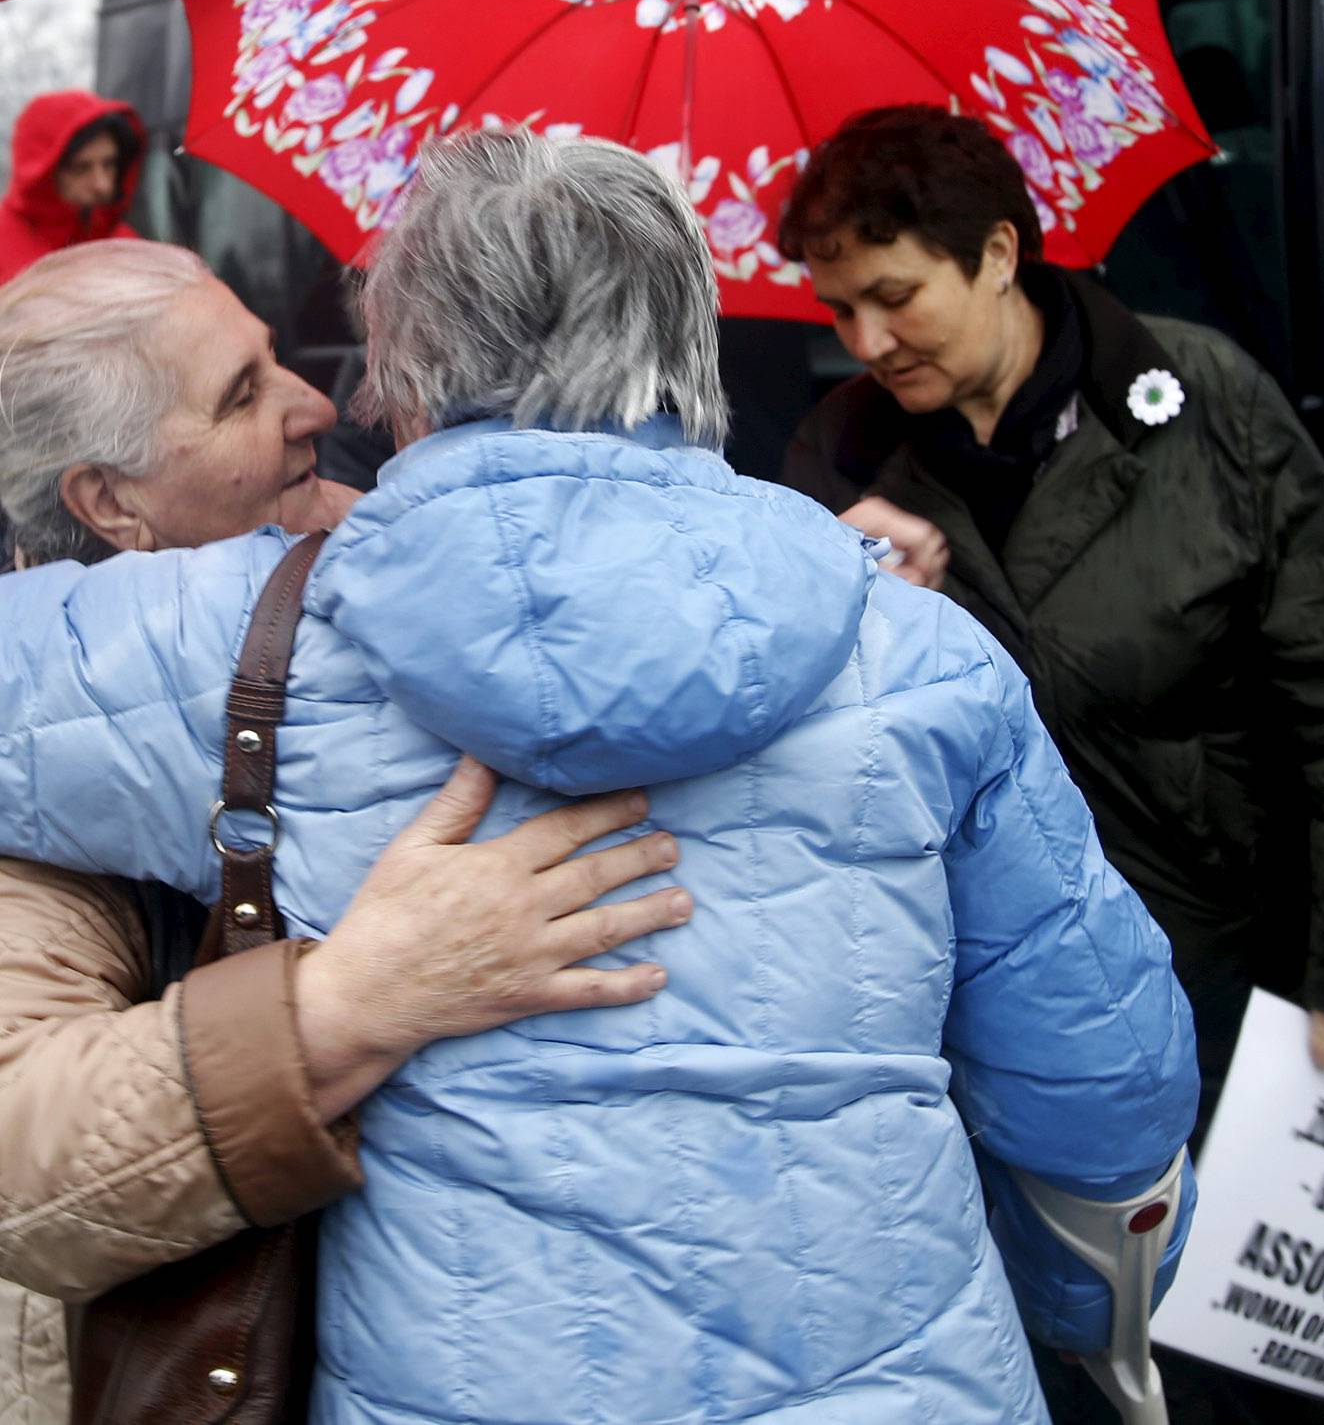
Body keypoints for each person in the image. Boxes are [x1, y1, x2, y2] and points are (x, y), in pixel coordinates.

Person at [0, 130, 1198, 1424]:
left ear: (404, 364)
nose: (305, 404)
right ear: (692, 334)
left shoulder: (242, 640)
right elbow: (1106, 1082)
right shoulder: (911, 642)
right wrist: (1082, 1316)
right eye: (241, 392)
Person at [778, 105, 1324, 1419]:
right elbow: (819, 769)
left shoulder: (1198, 399)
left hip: (1237, 971)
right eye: (837, 309)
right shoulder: (840, 459)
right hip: (1004, 1003)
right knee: (1074, 1355)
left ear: (998, 252)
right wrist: (857, 614)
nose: (863, 342)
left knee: (1267, 1362)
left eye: (893, 296)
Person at [0, 242, 693, 1423]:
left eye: (276, 360)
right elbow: (22, 1157)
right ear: (109, 505)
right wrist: (358, 1000)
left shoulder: (355, 566)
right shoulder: (34, 751)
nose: (317, 403)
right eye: (241, 394)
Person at [0, 90, 144, 283]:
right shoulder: (5, 244)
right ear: (43, 172)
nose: (101, 184)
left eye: (109, 164)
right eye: (81, 168)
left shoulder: (126, 245)